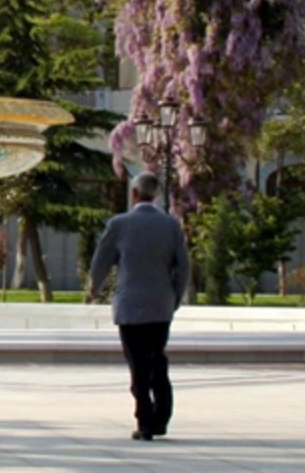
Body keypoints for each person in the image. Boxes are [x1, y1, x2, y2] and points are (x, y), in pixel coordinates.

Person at [87, 171, 190, 441]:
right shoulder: (171, 225)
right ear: (156, 195)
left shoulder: (119, 224)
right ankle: (161, 417)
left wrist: (94, 287)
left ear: (134, 194)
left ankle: (145, 421)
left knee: (138, 365)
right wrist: (175, 296)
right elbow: (183, 267)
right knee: (157, 358)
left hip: (130, 305)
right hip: (160, 304)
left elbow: (101, 260)